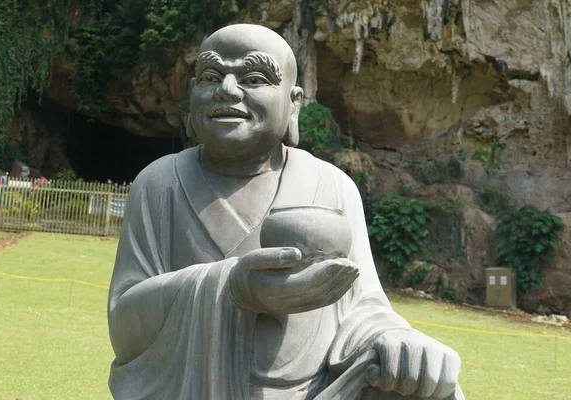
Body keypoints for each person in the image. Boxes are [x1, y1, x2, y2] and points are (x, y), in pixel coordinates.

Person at [107, 24, 464, 400]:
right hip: (193, 387)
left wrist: (397, 339)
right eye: (211, 75)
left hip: (313, 390)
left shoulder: (332, 186)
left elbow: (362, 308)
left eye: (254, 77)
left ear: (293, 103)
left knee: (425, 388)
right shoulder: (159, 183)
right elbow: (125, 328)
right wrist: (232, 286)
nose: (226, 89)